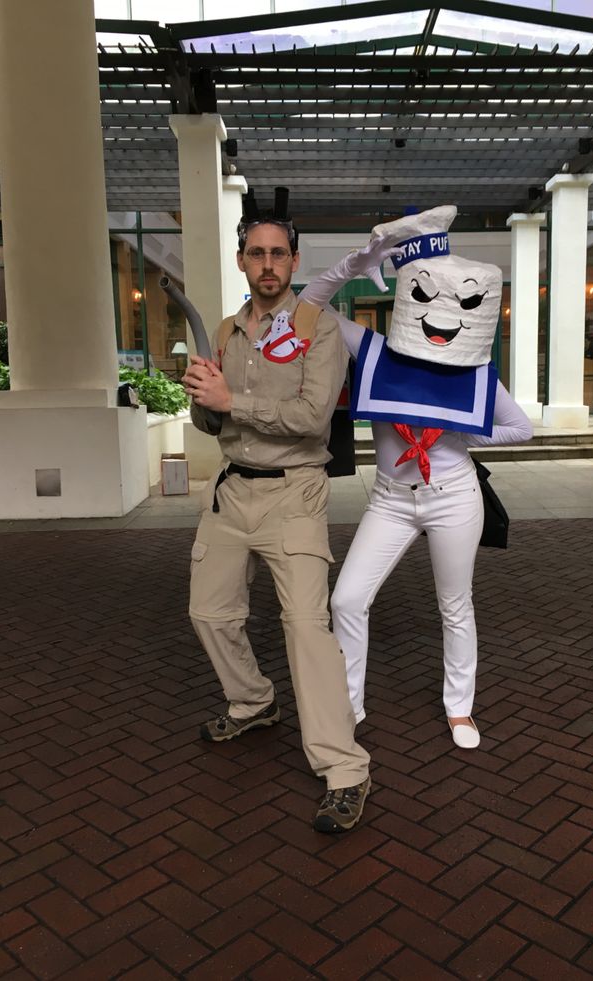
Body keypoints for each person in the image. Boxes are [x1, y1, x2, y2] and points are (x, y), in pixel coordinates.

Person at [300, 206, 533, 750]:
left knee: (455, 604)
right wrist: (358, 262)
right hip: (391, 500)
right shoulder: (374, 352)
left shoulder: (474, 370)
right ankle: (349, 703)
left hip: (454, 497)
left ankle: (460, 708)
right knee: (346, 600)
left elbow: (519, 427)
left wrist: (463, 433)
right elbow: (310, 306)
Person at [181, 188, 370, 833]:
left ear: (294, 261)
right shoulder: (228, 332)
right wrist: (203, 401)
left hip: (295, 492)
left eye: (277, 254)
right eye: (255, 253)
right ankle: (253, 701)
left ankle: (344, 770)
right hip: (233, 490)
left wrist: (230, 400)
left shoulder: (321, 330)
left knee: (306, 630)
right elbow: (213, 425)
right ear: (241, 261)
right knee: (208, 610)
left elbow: (312, 419)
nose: (267, 264)